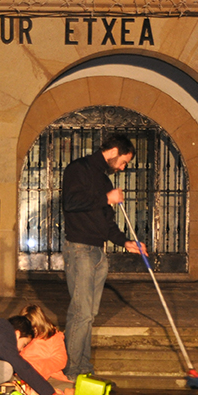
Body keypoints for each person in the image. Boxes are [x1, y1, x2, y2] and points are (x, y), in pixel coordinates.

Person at [61, 134, 147, 380]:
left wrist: (125, 242)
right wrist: (106, 198)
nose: (124, 167)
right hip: (80, 250)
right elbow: (71, 202)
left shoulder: (103, 179)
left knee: (88, 314)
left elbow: (106, 222)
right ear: (114, 152)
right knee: (81, 313)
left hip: (98, 252)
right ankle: (72, 371)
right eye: (124, 161)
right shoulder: (78, 168)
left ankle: (83, 368)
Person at [18, 305, 74, 395]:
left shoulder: (53, 337)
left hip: (49, 377)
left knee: (68, 389)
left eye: (33, 329)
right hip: (25, 377)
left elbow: (60, 360)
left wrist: (39, 368)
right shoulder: (21, 337)